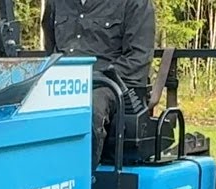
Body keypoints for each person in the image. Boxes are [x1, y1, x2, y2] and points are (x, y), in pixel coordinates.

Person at [42, 0, 156, 168]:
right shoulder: (56, 4)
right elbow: (51, 50)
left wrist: (94, 77)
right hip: (62, 82)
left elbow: (138, 60)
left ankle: (80, 180)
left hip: (111, 84)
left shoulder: (135, 3)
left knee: (90, 107)